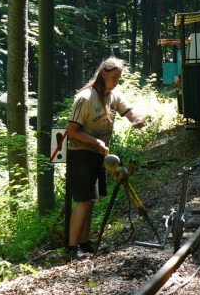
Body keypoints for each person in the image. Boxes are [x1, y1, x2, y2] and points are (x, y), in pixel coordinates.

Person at [65, 57, 146, 261]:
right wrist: (96, 142)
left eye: (119, 77)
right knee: (83, 200)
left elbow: (129, 111)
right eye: (114, 76)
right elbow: (71, 131)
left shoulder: (114, 95)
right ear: (103, 74)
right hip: (80, 153)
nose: (117, 80)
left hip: (98, 154)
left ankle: (85, 242)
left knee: (91, 200)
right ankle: (72, 248)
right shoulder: (85, 98)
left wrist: (138, 119)